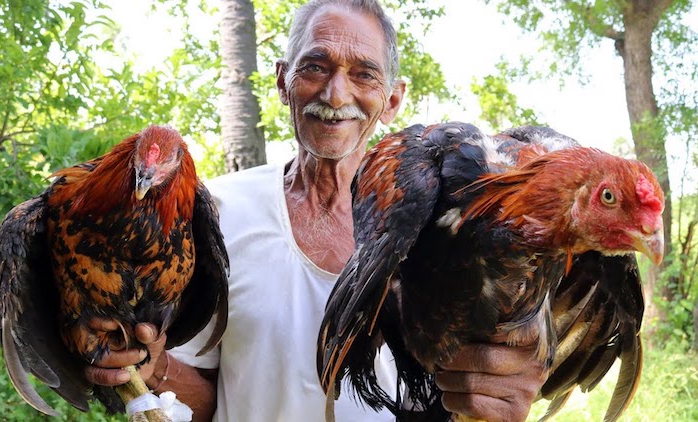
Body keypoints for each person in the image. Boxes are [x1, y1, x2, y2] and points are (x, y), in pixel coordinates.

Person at [84, 1, 548, 421]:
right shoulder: (218, 214)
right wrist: (154, 366)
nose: (335, 93)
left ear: (392, 100)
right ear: (283, 81)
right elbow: (209, 398)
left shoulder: (445, 227)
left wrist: (499, 390)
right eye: (315, 67)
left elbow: (465, 386)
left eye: (364, 74)